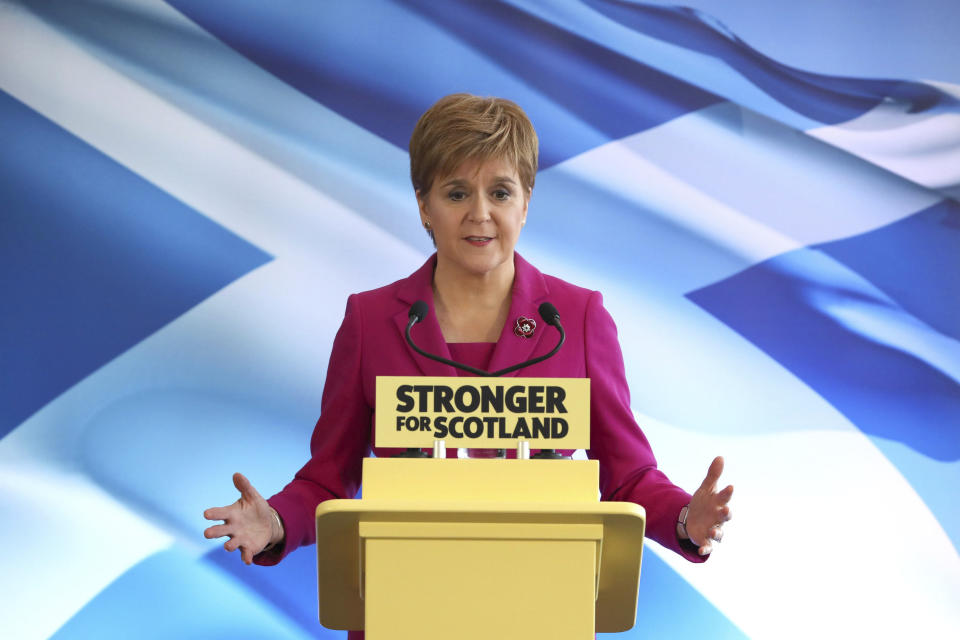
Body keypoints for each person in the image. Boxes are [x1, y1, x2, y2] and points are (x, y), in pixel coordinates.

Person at [204, 92, 733, 596]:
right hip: (404, 604)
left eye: (500, 192)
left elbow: (630, 478)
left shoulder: (577, 318)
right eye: (457, 192)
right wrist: (273, 521)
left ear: (525, 203)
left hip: (540, 603)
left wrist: (688, 517)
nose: (480, 213)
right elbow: (328, 481)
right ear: (424, 206)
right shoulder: (370, 321)